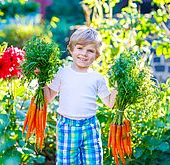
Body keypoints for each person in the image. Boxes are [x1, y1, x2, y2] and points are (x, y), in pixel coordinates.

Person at [41, 26, 117, 165]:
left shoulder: (97, 78)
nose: (84, 54)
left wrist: (119, 86)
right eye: (80, 48)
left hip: (90, 127)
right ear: (71, 49)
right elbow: (47, 98)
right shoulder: (62, 73)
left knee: (94, 162)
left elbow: (110, 103)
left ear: (96, 55)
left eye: (90, 51)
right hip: (67, 126)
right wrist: (41, 80)